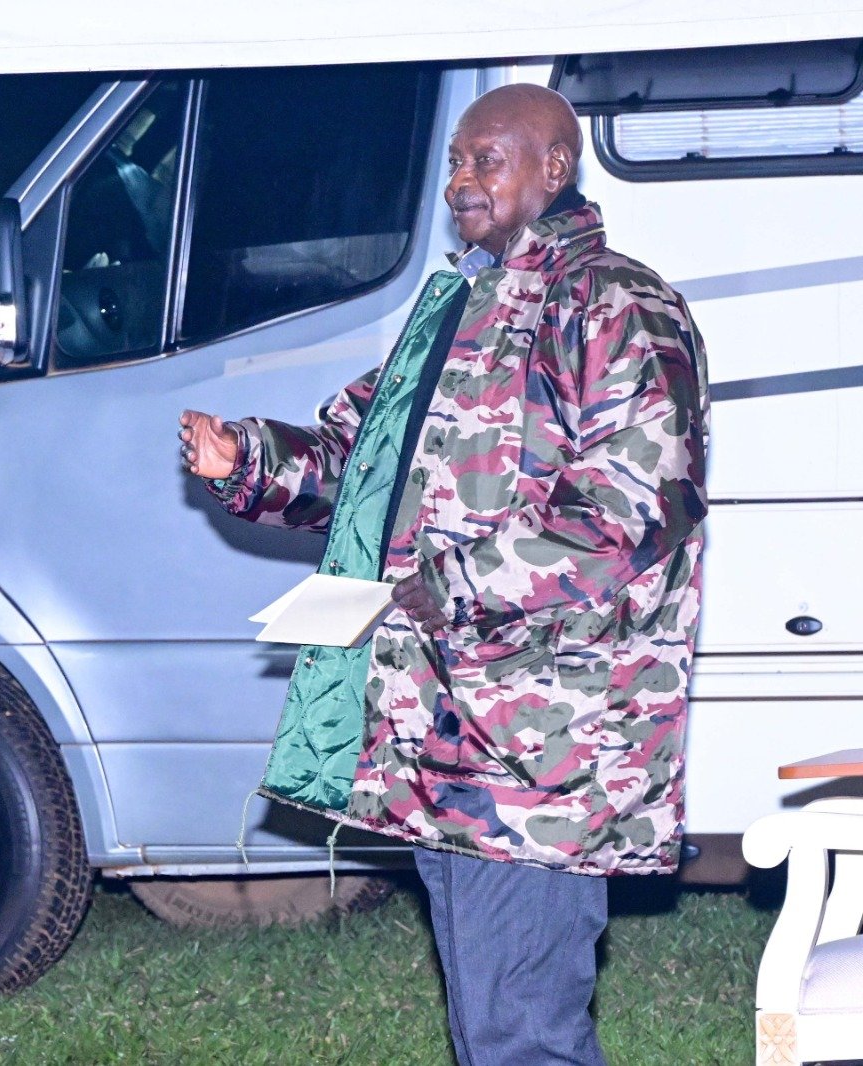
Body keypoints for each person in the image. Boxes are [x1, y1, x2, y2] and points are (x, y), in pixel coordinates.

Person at [180, 84, 708, 1065]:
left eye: (487, 160)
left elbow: (633, 517)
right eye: (456, 163)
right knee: (491, 1025)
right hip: (442, 734)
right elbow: (358, 459)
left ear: (554, 170)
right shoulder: (455, 306)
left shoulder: (614, 307)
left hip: (543, 748)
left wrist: (451, 583)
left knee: (522, 1031)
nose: (461, 180)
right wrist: (246, 457)